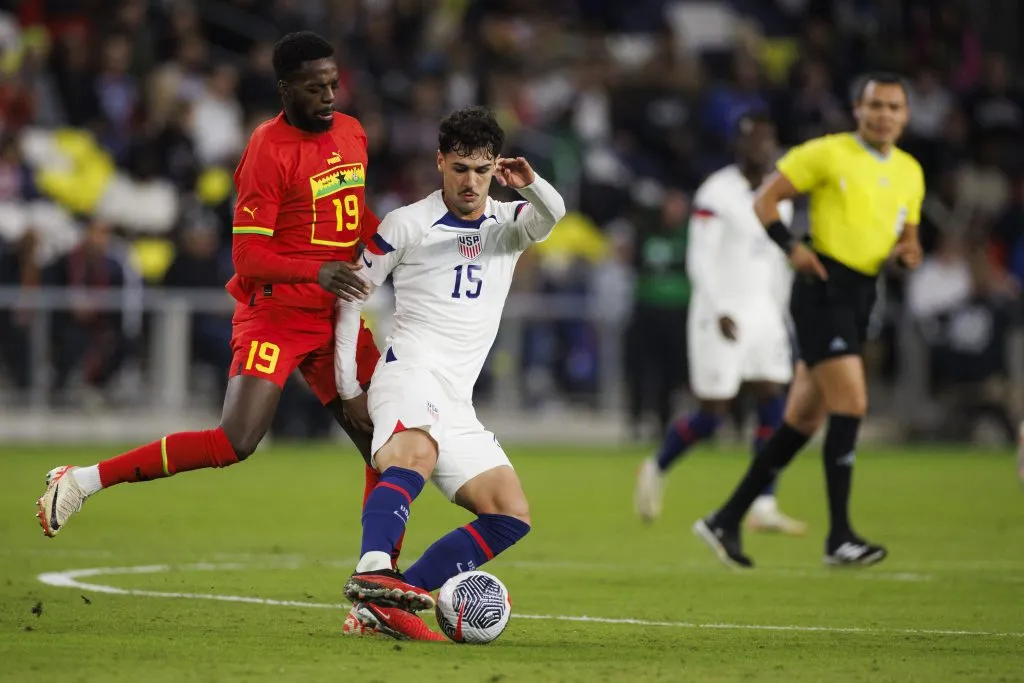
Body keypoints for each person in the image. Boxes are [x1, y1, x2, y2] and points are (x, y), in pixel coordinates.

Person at [35, 31, 385, 541]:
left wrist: (399, 246)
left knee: (380, 439)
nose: (330, 97)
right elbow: (246, 257)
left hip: (336, 314)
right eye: (316, 88)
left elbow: (354, 215)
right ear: (285, 88)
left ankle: (376, 576)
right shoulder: (266, 150)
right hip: (278, 312)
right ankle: (84, 480)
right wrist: (315, 270)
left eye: (333, 84)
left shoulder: (352, 133)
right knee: (237, 440)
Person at [333, 106, 566, 640]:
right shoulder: (405, 224)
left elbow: (552, 216)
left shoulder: (508, 226)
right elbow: (350, 301)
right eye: (460, 167)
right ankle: (373, 568)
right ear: (440, 162)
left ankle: (385, 603)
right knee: (417, 454)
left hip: (456, 399)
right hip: (410, 370)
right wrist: (349, 387)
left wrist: (531, 184)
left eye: (482, 170)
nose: (470, 181)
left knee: (510, 513)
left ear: (496, 169)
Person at [693, 73, 925, 568]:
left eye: (894, 108)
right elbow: (766, 201)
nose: (884, 115)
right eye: (875, 105)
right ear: (858, 109)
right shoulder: (827, 153)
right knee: (853, 403)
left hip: (862, 293)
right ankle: (839, 536)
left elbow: (908, 237)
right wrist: (791, 248)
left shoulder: (910, 172)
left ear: (905, 116)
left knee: (800, 422)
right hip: (822, 288)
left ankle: (724, 518)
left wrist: (908, 252)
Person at [635, 111, 806, 535]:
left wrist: (782, 315)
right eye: (751, 140)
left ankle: (764, 503)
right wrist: (716, 308)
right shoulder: (717, 191)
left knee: (773, 401)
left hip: (765, 311)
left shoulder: (779, 195)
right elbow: (700, 257)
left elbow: (777, 260)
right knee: (714, 413)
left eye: (766, 140)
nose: (759, 148)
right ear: (738, 145)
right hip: (722, 312)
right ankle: (657, 466)